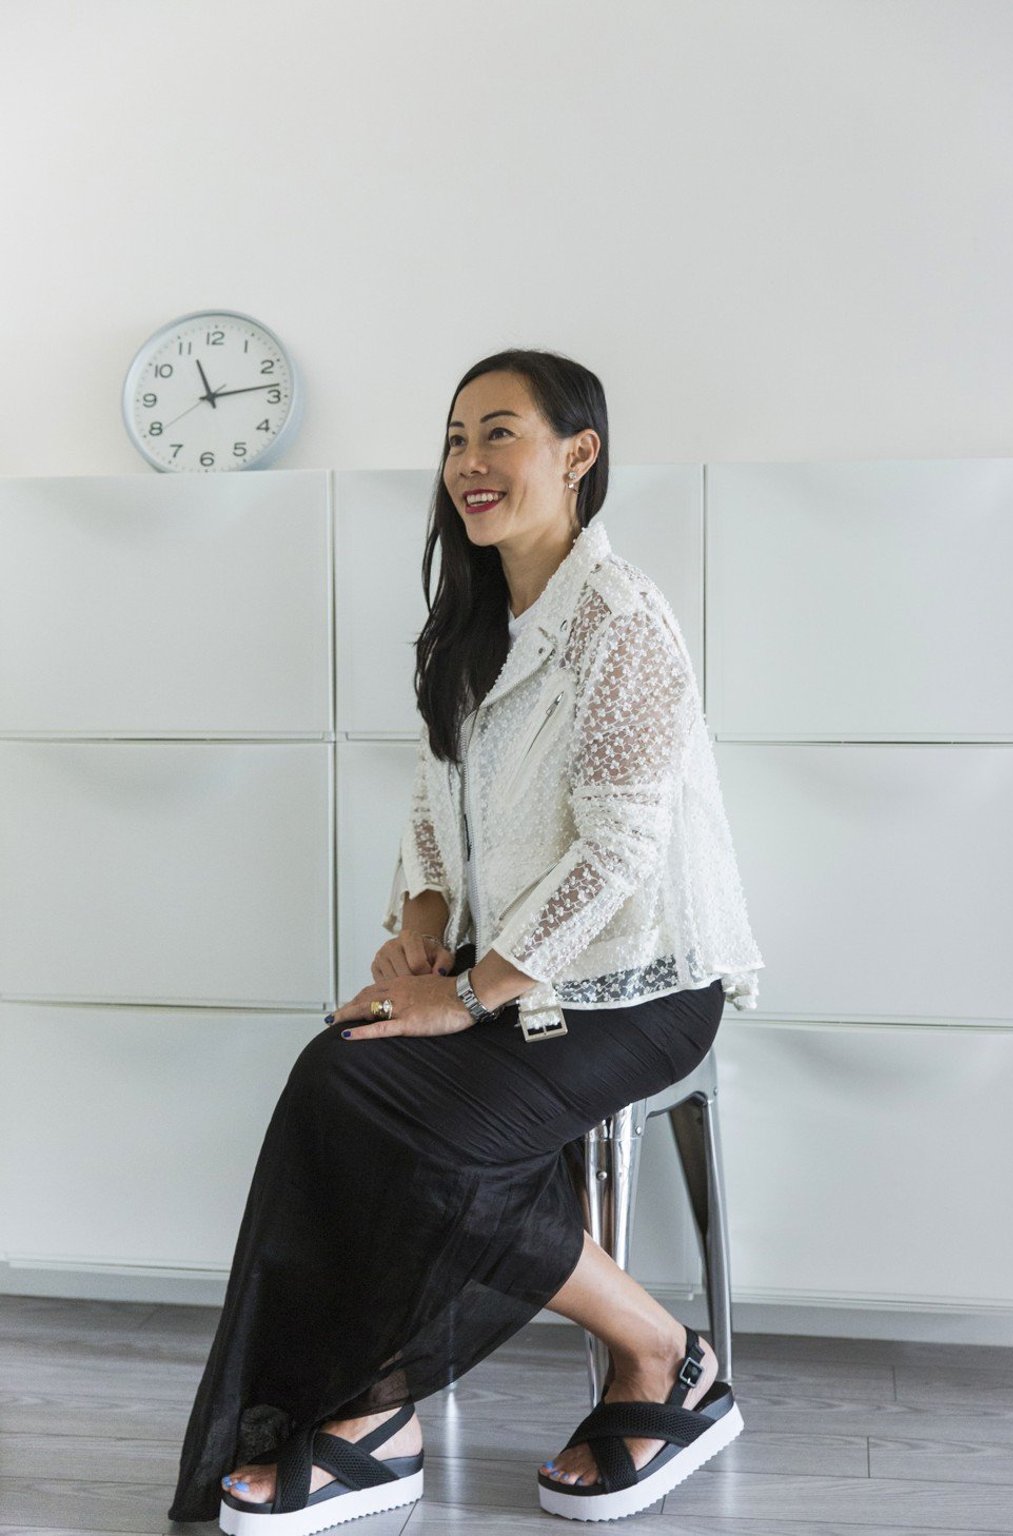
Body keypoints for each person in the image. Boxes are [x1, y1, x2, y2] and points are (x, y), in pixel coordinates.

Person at [167, 348, 764, 1532]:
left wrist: (468, 997)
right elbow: (433, 815)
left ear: (576, 454)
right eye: (454, 440)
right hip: (521, 980)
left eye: (499, 434)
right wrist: (422, 932)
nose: (469, 465)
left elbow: (617, 853)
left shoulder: (620, 621)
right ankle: (371, 1409)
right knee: (338, 1072)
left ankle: (665, 1358)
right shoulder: (472, 626)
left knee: (420, 1126)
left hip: (640, 989)